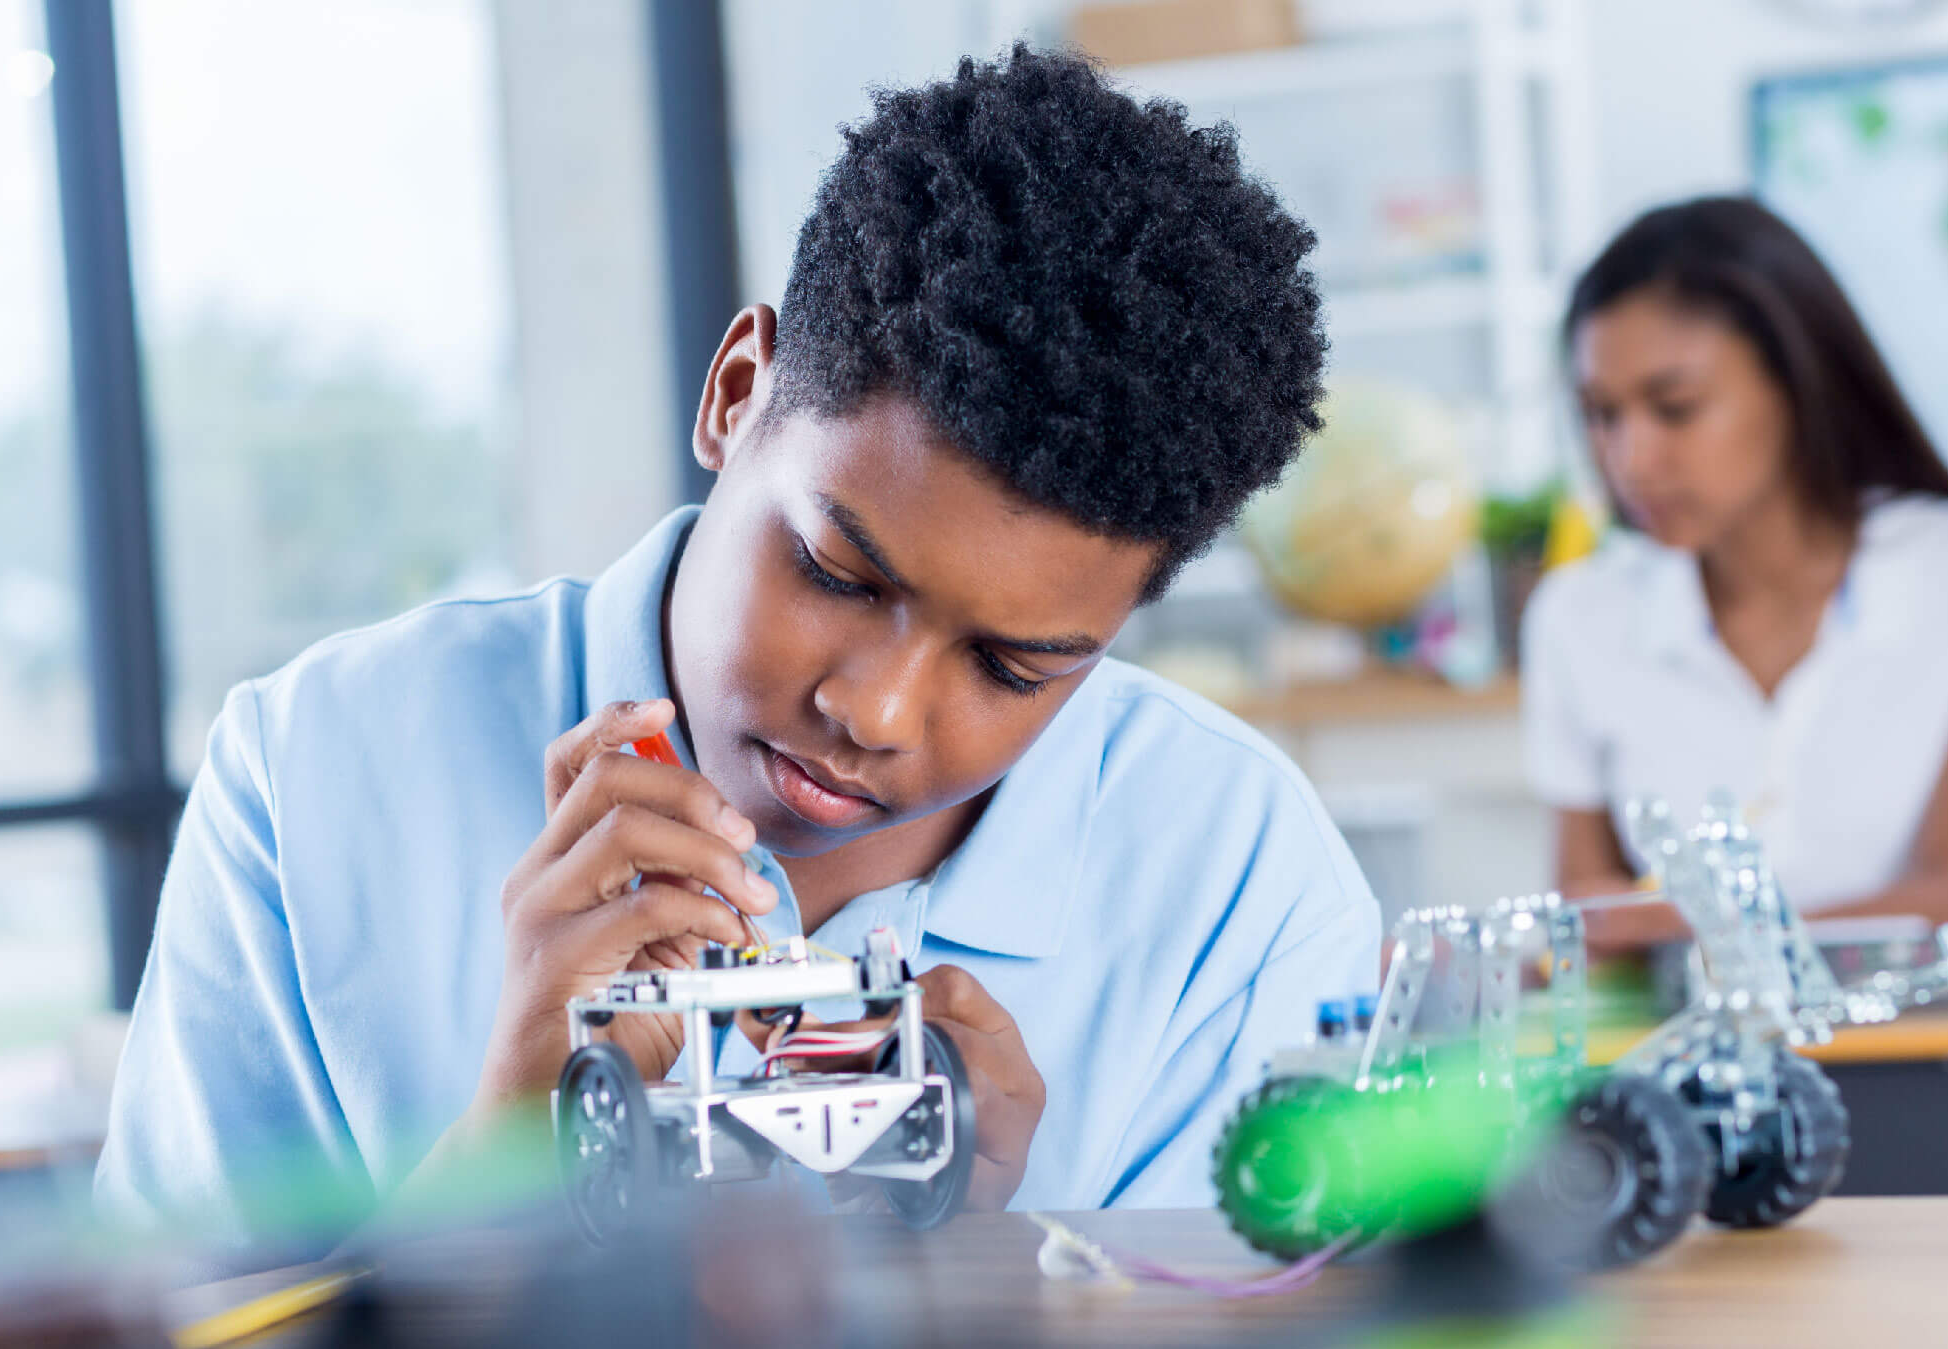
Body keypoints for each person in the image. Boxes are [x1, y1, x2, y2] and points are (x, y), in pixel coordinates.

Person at [97, 46, 1378, 1253]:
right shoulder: (313, 769)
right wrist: (510, 1168)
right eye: (833, 570)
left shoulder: (1237, 882)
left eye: (1013, 668)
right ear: (735, 391)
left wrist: (988, 1290)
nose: (874, 711)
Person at [1524, 196, 1948, 952]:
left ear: (1796, 382)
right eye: (1601, 414)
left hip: (1913, 1056)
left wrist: (1682, 929)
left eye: (1675, 407)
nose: (1630, 459)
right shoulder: (1577, 613)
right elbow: (1586, 938)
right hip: (1687, 1065)